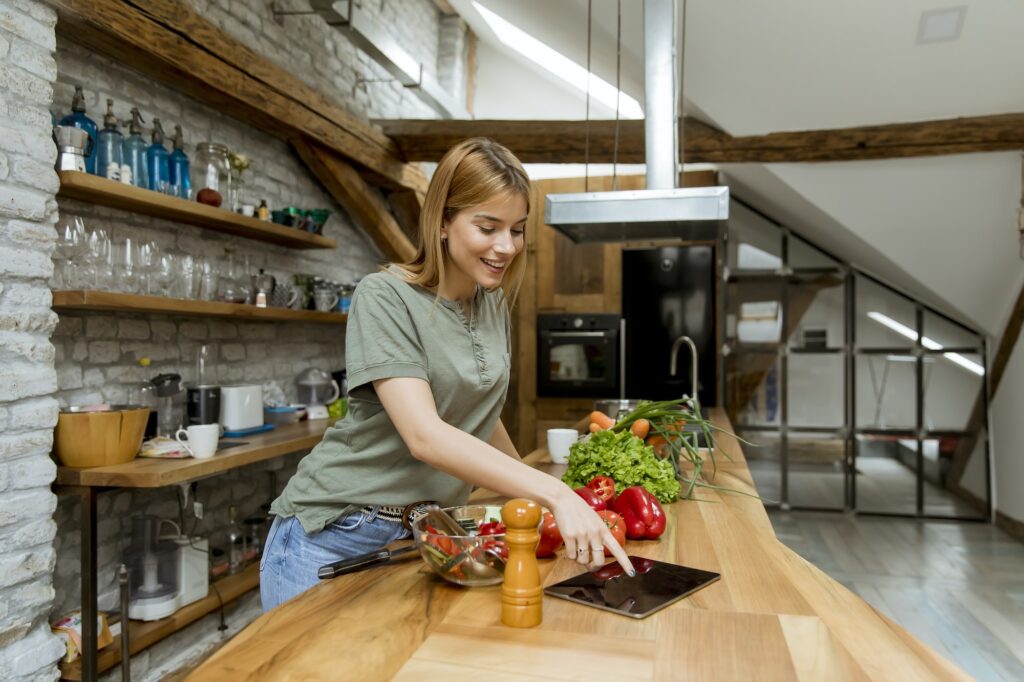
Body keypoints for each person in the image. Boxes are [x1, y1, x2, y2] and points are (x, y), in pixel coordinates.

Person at [260, 138, 634, 611]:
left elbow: (476, 411)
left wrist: (534, 492)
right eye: (488, 227)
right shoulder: (385, 296)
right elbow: (426, 436)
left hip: (425, 535)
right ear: (442, 222)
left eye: (517, 230)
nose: (506, 247)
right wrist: (554, 493)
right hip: (333, 535)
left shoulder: (491, 302)